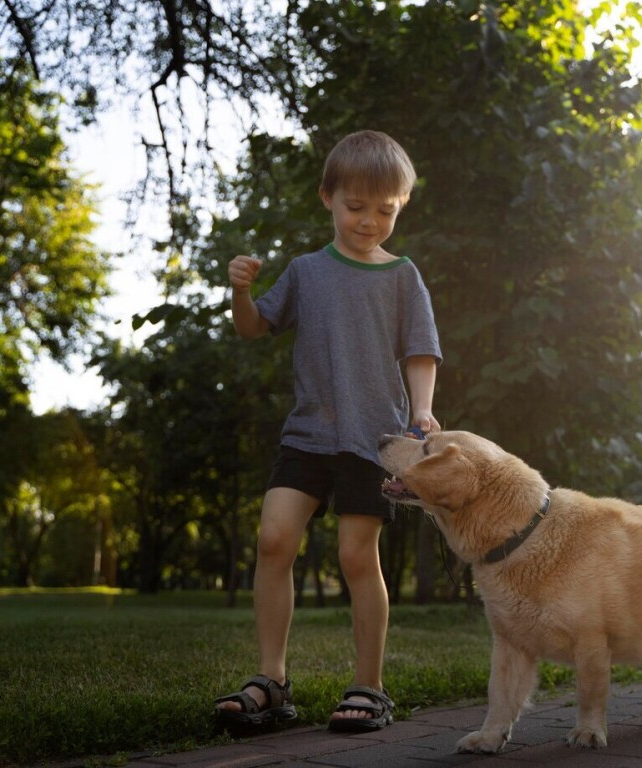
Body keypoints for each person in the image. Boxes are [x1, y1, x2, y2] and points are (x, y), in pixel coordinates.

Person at [214, 130, 442, 733]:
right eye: (355, 206)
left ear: (401, 206)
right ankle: (272, 682)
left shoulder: (402, 276)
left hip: (375, 439)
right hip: (308, 434)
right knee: (273, 540)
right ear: (327, 198)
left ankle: (370, 686)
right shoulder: (306, 272)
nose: (369, 221)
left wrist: (421, 413)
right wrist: (240, 289)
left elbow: (421, 350)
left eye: (384, 210)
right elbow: (253, 327)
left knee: (354, 555)